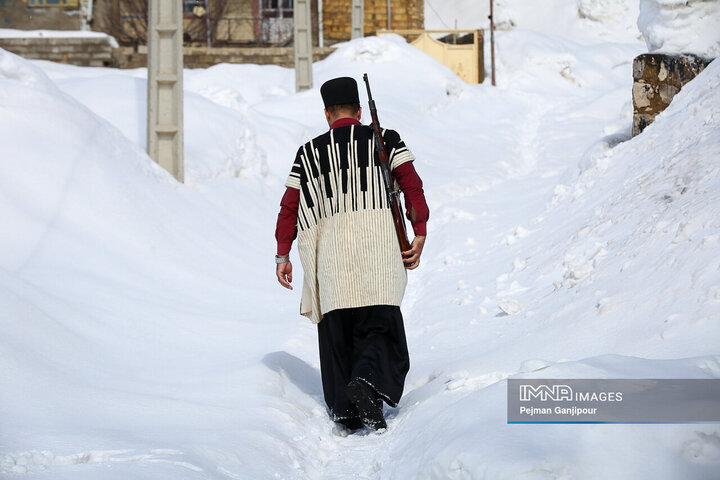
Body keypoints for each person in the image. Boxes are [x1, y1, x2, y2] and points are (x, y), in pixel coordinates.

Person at [274, 76, 429, 431]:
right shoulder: (384, 140)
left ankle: (348, 408)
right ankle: (368, 385)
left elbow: (289, 209)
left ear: (327, 114)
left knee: (339, 335)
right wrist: (419, 231)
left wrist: (282, 255)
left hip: (332, 261)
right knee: (380, 330)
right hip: (380, 255)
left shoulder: (308, 153)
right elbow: (412, 186)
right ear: (359, 112)